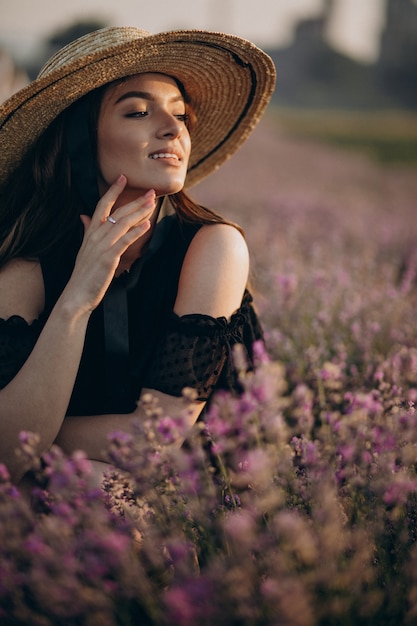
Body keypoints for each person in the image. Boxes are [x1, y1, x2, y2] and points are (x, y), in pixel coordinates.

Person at [0, 26, 276, 485]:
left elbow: (156, 437)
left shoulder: (212, 246)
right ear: (78, 140)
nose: (173, 128)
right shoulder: (25, 264)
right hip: (75, 495)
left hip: (207, 504)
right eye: (139, 111)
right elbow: (10, 457)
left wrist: (37, 441)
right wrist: (77, 299)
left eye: (180, 114)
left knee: (85, 483)